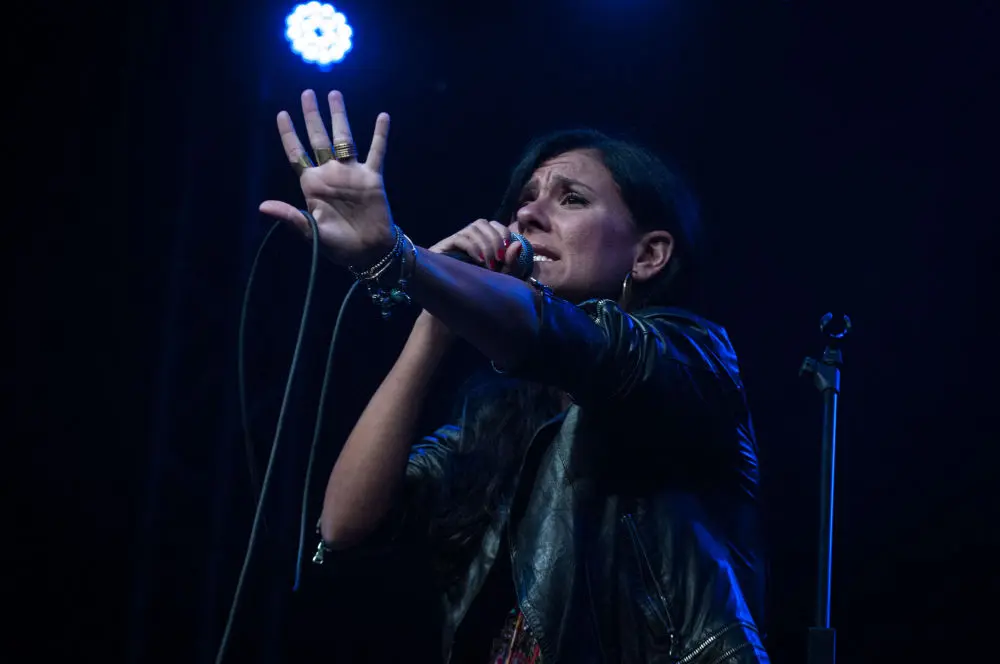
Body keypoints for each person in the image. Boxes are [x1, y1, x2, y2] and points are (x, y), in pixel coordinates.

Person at [260, 89, 769, 664]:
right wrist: (434, 318)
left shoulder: (690, 357)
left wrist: (403, 260)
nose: (527, 215)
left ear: (648, 254)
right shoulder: (500, 416)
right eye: (525, 200)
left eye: (571, 198)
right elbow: (344, 525)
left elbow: (573, 340)